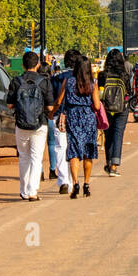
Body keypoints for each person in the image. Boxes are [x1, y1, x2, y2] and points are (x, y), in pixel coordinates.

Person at [53, 55, 100, 198]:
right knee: (88, 151)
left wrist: (51, 113)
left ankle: (75, 183)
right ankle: (86, 183)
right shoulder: (93, 83)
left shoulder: (68, 82)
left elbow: (59, 101)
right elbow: (97, 106)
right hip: (88, 117)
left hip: (73, 116)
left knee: (73, 150)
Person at [6, 51, 50, 200]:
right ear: (37, 65)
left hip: (21, 124)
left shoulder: (16, 81)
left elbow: (10, 104)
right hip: (40, 124)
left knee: (23, 157)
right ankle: (32, 191)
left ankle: (24, 191)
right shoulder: (44, 82)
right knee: (36, 158)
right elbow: (50, 107)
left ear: (23, 65)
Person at [48, 49, 80, 194]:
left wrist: (52, 113)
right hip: (77, 115)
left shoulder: (57, 78)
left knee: (60, 147)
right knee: (74, 147)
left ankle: (63, 180)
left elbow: (54, 98)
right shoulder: (81, 78)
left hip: (59, 115)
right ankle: (74, 180)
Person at [97, 49, 133, 176]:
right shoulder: (124, 75)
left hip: (106, 108)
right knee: (118, 134)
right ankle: (114, 166)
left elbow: (99, 93)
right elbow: (129, 92)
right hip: (122, 108)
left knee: (108, 135)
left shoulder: (102, 75)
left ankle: (108, 162)